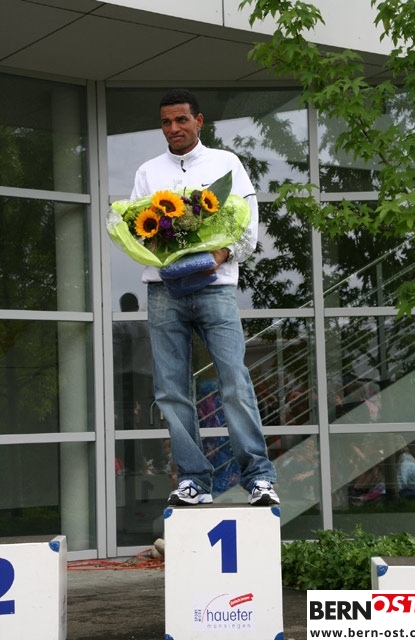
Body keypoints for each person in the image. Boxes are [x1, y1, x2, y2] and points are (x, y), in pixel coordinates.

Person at [130, 88, 279, 507]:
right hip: (164, 290)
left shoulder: (226, 164)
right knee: (171, 389)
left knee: (234, 381)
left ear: (199, 121)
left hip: (216, 286)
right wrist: (160, 248)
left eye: (181, 119)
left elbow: (247, 225)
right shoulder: (147, 171)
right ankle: (194, 481)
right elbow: (138, 230)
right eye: (166, 122)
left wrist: (220, 254)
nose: (173, 128)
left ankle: (259, 478)